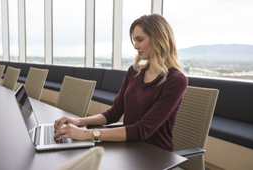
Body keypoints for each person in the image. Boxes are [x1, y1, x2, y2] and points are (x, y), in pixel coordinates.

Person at [54, 13, 188, 151]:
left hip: (155, 154)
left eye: (140, 40)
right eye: (134, 40)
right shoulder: (134, 71)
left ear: (158, 39)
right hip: (127, 146)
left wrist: (86, 134)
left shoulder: (176, 80)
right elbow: (115, 112)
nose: (135, 46)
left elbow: (142, 130)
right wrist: (79, 121)